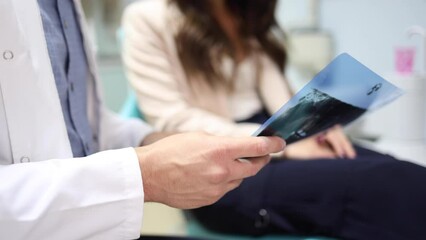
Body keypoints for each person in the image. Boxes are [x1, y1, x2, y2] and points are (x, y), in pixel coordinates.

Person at [123, 0, 426, 239]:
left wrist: (315, 126)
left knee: (394, 167)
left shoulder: (243, 12)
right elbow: (170, 119)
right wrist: (277, 144)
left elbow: (279, 97)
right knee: (384, 183)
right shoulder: (146, 17)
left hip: (276, 136)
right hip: (223, 162)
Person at [0, 1, 286, 239]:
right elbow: (171, 116)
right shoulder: (150, 17)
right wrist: (145, 173)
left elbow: (86, 128)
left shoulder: (64, 8)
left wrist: (151, 141)